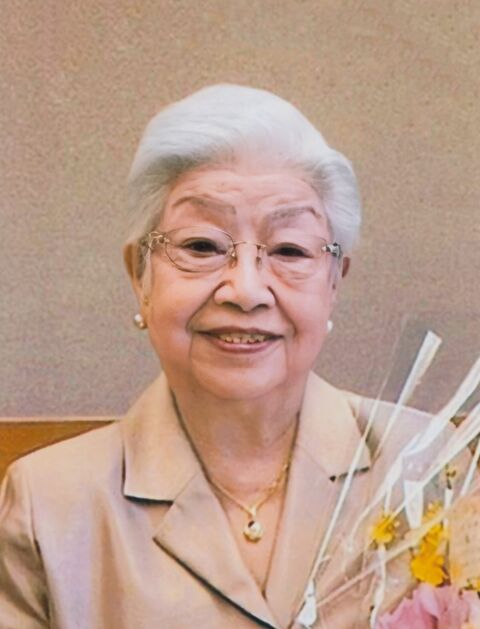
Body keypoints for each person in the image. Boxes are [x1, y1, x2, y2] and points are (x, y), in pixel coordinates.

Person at [0, 85, 464, 628]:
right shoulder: (48, 504)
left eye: (289, 250)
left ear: (334, 282)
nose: (246, 291)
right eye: (201, 247)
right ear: (139, 277)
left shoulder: (430, 467)